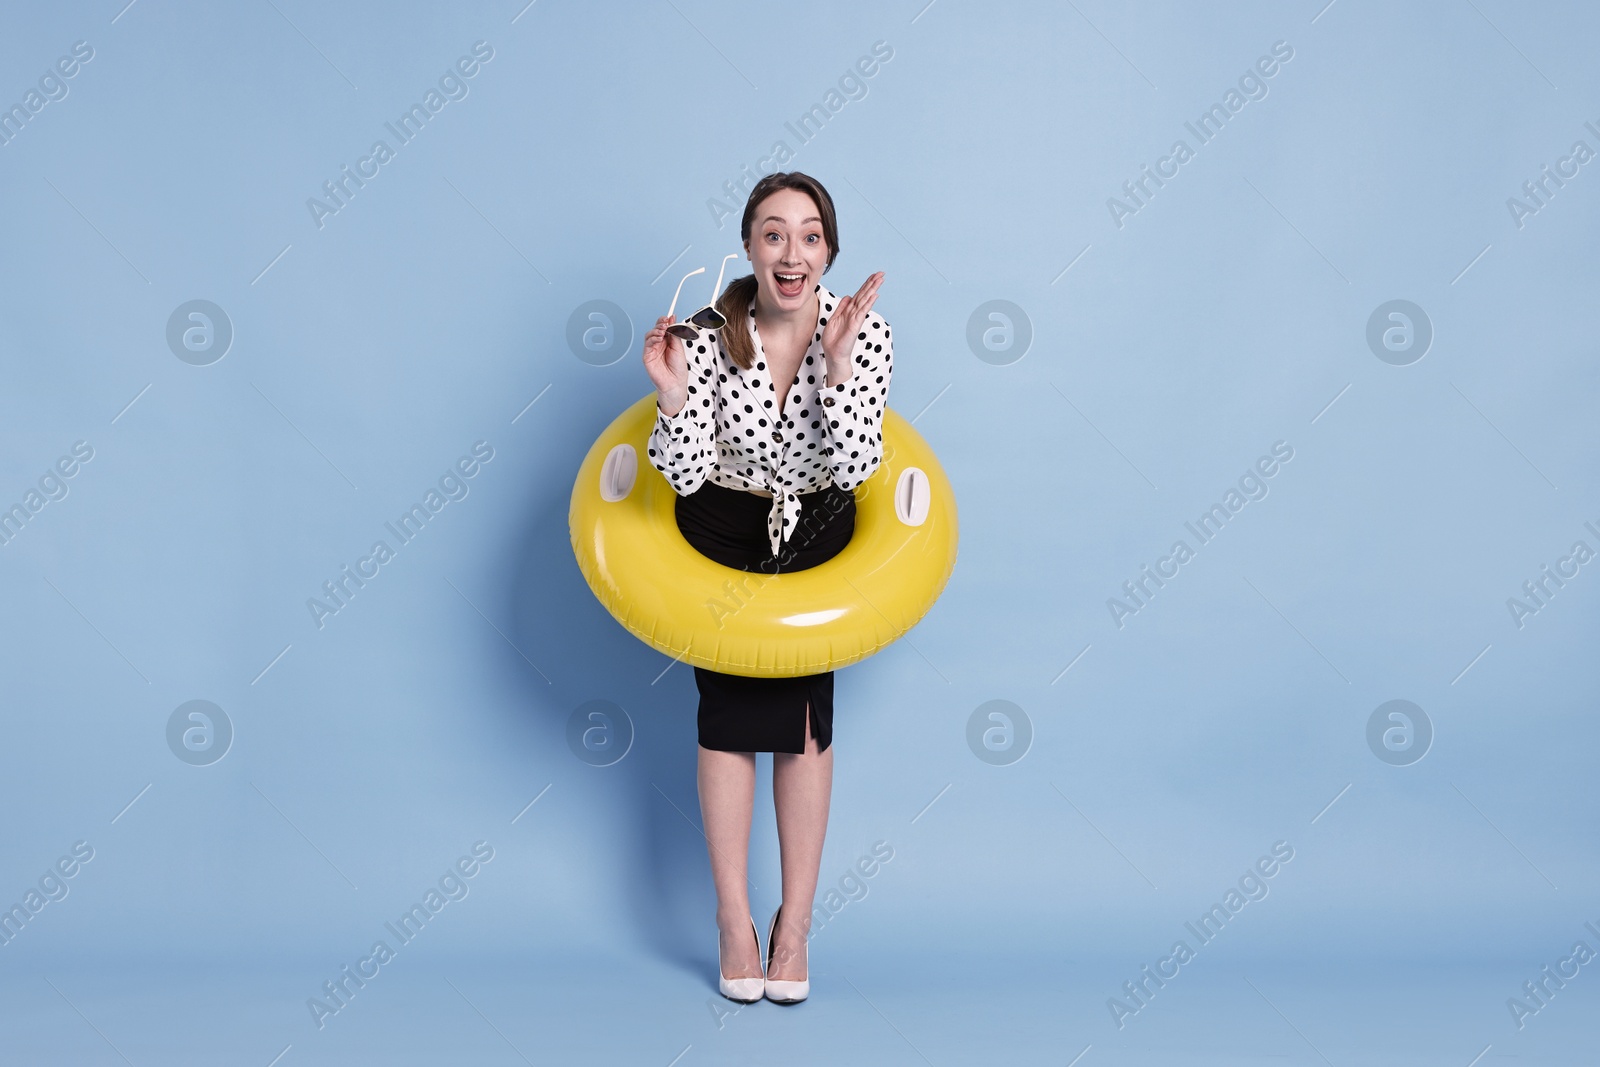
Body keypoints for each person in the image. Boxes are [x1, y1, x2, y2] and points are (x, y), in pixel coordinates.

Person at [641, 171, 891, 1004]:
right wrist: (675, 400)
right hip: (720, 525)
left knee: (804, 719)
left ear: (830, 251)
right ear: (748, 246)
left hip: (816, 528)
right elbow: (684, 476)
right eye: (773, 233)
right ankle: (733, 918)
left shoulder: (867, 332)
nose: (792, 251)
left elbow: (857, 469)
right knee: (727, 716)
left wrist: (843, 364)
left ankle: (795, 927)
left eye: (810, 234)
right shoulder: (711, 333)